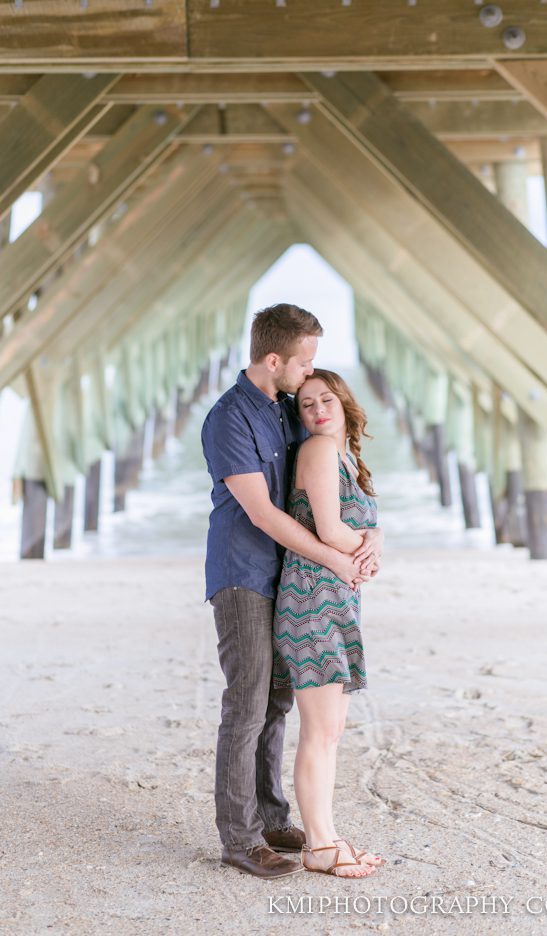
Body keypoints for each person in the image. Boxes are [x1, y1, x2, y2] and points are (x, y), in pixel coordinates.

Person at [201, 304, 382, 881]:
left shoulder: (287, 408)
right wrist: (338, 558)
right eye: (305, 362)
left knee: (279, 704)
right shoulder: (230, 418)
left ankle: (273, 816)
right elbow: (262, 514)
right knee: (249, 702)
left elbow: (333, 479)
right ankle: (240, 838)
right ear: (274, 359)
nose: (311, 374)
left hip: (291, 576)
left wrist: (373, 535)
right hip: (245, 573)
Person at [272, 368, 383, 878]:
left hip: (336, 596)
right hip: (311, 598)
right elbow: (330, 527)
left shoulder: (347, 458)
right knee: (319, 730)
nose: (316, 411)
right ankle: (319, 845)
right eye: (307, 405)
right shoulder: (316, 452)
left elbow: (367, 524)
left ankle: (328, 835)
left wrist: (373, 545)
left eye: (325, 402)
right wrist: (366, 552)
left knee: (331, 729)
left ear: (344, 406)